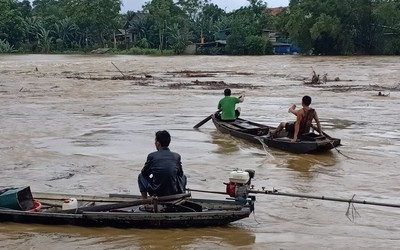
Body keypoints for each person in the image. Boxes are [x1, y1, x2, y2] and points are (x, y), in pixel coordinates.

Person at [138, 130, 187, 200]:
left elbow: (144, 173)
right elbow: (180, 174)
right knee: (184, 177)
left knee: (140, 176)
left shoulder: (152, 156)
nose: (154, 143)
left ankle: (144, 201)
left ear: (158, 143)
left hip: (156, 192)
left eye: (155, 141)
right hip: (174, 191)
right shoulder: (177, 156)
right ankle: (181, 197)